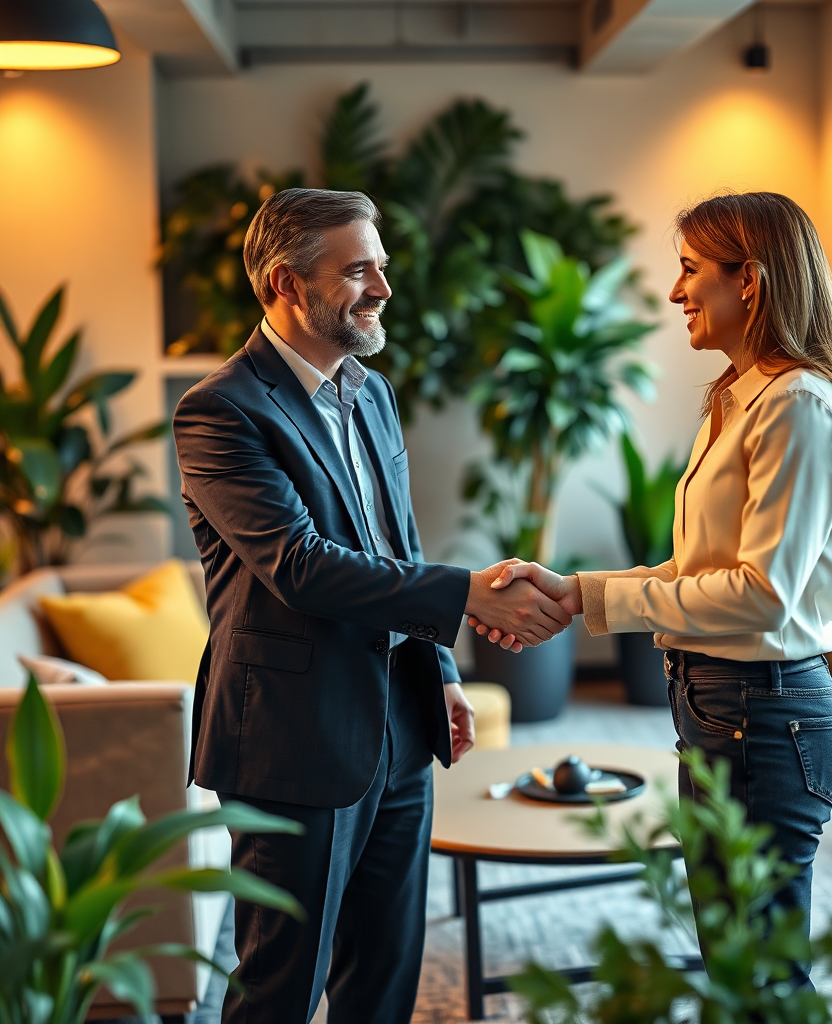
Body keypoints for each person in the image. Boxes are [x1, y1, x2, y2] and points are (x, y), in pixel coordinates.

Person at [173, 187, 571, 1024]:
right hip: (293, 736)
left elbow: (397, 546)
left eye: (381, 267)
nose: (383, 289)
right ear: (285, 282)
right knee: (282, 986)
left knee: (385, 977)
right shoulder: (219, 411)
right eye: (358, 271)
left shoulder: (373, 393)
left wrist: (442, 671)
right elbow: (302, 567)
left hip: (400, 725)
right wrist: (468, 592)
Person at [471, 192, 832, 987]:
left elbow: (761, 595)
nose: (674, 292)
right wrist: (575, 592)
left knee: (760, 975)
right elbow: (698, 568)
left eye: (691, 270)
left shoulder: (796, 405)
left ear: (750, 281)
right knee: (734, 964)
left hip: (765, 715)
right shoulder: (736, 398)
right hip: (723, 706)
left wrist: (599, 604)